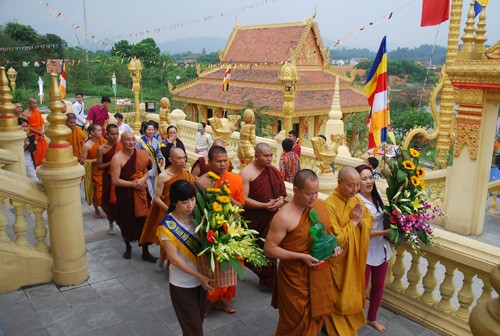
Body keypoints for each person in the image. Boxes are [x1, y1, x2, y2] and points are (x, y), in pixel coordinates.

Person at [265, 169, 343, 335]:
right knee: (295, 322)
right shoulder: (283, 216)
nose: (313, 198)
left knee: (315, 319)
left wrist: (333, 248)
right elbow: (269, 249)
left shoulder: (320, 206)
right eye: (309, 194)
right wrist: (300, 256)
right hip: (295, 279)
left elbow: (326, 236)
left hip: (319, 274)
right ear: (295, 190)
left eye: (316, 193)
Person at [156, 179, 213, 336]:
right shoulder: (167, 226)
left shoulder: (199, 216)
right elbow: (174, 259)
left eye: (193, 199)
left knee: (196, 324)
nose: (190, 205)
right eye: (184, 201)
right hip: (182, 284)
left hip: (201, 281)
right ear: (174, 202)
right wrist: (199, 276)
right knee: (193, 329)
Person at [323, 166, 373, 336]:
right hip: (338, 260)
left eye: (357, 185)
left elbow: (368, 220)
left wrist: (360, 222)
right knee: (336, 295)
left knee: (352, 291)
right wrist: (353, 222)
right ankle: (334, 326)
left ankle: (350, 321)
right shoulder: (329, 204)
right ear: (339, 183)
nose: (355, 189)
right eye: (351, 185)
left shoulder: (355, 201)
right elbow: (335, 239)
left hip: (353, 258)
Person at [196, 145, 244, 315]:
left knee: (227, 269)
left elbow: (240, 206)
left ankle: (221, 300)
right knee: (210, 269)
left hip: (229, 230)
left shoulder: (236, 179)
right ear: (209, 162)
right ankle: (208, 301)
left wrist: (227, 197)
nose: (223, 164)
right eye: (218, 161)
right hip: (209, 231)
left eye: (225, 160)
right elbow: (197, 210)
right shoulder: (202, 182)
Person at [240, 143, 286, 291]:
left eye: (271, 155)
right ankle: (264, 276)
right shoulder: (246, 173)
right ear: (256, 156)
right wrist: (264, 205)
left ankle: (270, 281)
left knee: (270, 248)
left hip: (271, 218)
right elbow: (243, 199)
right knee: (252, 249)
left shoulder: (273, 170)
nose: (269, 158)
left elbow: (281, 193)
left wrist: (279, 201)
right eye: (266, 156)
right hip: (254, 218)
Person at [140, 148, 195, 272]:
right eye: (179, 158)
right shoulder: (164, 176)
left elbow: (192, 191)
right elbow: (157, 198)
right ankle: (161, 260)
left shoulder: (186, 173)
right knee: (168, 238)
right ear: (170, 159)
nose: (182, 161)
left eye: (184, 157)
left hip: (185, 210)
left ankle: (181, 261)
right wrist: (169, 210)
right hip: (168, 211)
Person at [356, 164, 392, 333]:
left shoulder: (376, 194)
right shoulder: (356, 201)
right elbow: (362, 231)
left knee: (378, 286)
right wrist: (386, 232)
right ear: (357, 182)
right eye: (364, 179)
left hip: (381, 248)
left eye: (371, 177)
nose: (369, 181)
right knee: (360, 288)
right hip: (365, 250)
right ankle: (353, 318)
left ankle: (372, 317)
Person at [110, 131, 157, 262]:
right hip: (125, 195)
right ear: (122, 142)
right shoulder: (117, 158)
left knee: (144, 221)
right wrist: (133, 184)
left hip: (141, 193)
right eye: (127, 140)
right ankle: (128, 246)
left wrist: (142, 180)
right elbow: (115, 180)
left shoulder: (141, 155)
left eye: (133, 140)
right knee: (126, 220)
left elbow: (147, 172)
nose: (131, 142)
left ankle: (145, 251)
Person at [97, 124, 122, 235]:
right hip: (108, 177)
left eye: (117, 134)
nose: (115, 136)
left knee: (121, 201)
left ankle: (122, 223)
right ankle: (111, 222)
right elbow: (99, 166)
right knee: (108, 201)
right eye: (112, 134)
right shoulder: (101, 148)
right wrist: (111, 162)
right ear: (106, 134)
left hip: (120, 177)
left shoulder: (122, 146)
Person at [81, 124, 107, 218]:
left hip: (104, 169)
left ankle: (108, 209)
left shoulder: (103, 141)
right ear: (92, 132)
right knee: (97, 191)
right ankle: (97, 210)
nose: (101, 132)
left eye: (101, 130)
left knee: (107, 190)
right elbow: (83, 161)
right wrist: (98, 159)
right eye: (98, 130)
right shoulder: (87, 145)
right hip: (94, 172)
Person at [136, 121, 164, 200]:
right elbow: (135, 154)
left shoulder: (155, 141)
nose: (151, 131)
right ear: (145, 130)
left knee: (153, 186)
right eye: (149, 130)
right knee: (149, 189)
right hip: (144, 169)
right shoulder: (140, 142)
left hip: (154, 167)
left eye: (152, 130)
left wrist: (160, 158)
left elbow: (158, 151)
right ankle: (150, 205)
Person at [21, 97, 48, 167]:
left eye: (36, 103)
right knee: (35, 152)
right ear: (29, 103)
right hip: (32, 135)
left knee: (44, 151)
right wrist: (39, 132)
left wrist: (41, 133)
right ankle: (36, 167)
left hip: (40, 135)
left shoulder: (37, 111)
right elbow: (27, 126)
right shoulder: (25, 114)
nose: (36, 105)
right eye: (34, 103)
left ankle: (44, 166)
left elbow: (41, 123)